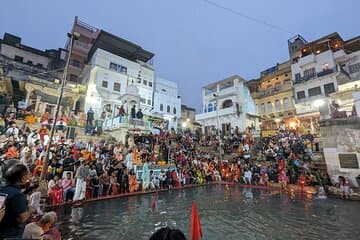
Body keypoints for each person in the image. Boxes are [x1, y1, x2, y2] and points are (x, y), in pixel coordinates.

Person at [0, 163, 32, 239]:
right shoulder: (17, 195)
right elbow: (22, 218)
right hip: (11, 235)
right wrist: (30, 211)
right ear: (23, 178)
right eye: (27, 175)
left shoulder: (2, 188)